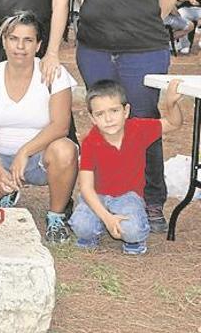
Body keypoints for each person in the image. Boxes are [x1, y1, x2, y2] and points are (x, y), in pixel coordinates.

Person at [72, 0, 181, 233]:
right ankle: (102, 193)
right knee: (105, 122)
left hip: (143, 52)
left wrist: (146, 21)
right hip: (94, 49)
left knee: (141, 126)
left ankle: (151, 199)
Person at [0, 11, 78, 243]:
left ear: (39, 45)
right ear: (4, 41)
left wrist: (25, 151)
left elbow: (61, 126)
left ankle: (56, 217)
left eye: (28, 40)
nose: (20, 46)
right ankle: (9, 190)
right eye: (13, 39)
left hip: (38, 158)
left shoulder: (54, 74)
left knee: (65, 150)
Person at [69, 79, 183, 255]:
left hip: (128, 196)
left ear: (126, 111)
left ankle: (133, 236)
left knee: (132, 231)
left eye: (114, 111)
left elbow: (173, 123)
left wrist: (171, 104)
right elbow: (85, 187)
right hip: (97, 195)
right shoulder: (91, 142)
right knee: (81, 227)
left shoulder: (139, 129)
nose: (108, 119)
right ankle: (96, 226)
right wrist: (107, 218)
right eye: (100, 114)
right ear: (92, 118)